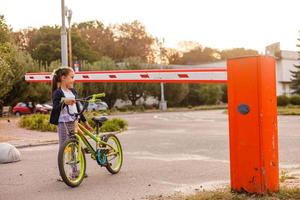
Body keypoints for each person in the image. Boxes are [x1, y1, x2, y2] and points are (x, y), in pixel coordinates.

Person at [49, 66, 92, 180]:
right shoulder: (58, 93)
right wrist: (65, 102)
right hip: (63, 123)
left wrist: (85, 122)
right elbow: (56, 107)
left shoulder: (72, 91)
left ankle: (76, 171)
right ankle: (63, 174)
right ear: (63, 78)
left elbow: (78, 108)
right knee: (64, 147)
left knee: (74, 146)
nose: (73, 80)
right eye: (71, 77)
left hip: (74, 122)